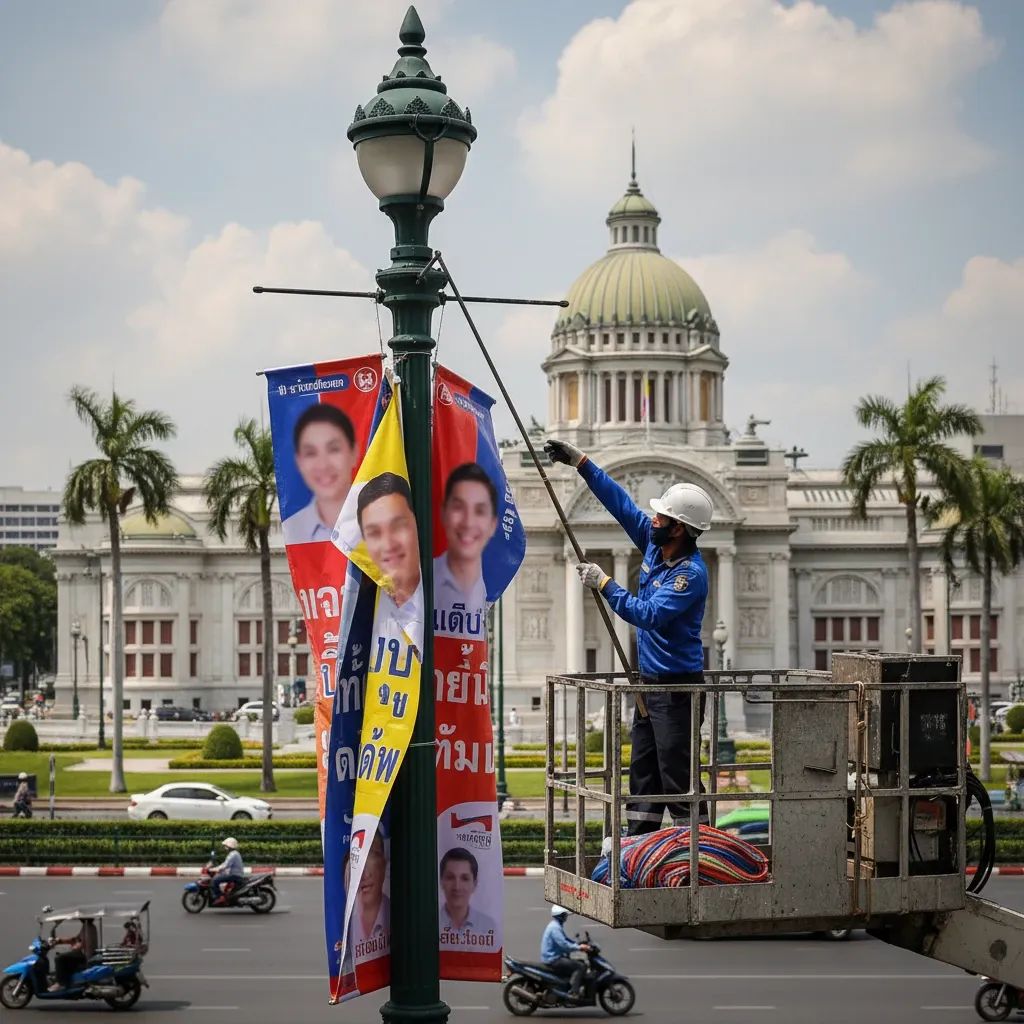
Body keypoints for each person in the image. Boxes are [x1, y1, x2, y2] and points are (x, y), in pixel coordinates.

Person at [544, 438, 711, 835]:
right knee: (643, 776)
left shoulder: (690, 575)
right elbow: (619, 504)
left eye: (662, 517)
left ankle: (699, 849)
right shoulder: (656, 549)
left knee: (678, 777)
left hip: (677, 691)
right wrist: (581, 462)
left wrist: (605, 583)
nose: (653, 520)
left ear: (681, 528)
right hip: (648, 687)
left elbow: (648, 616)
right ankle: (638, 846)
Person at [356, 472, 423, 642]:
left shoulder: (447, 594)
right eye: (374, 533)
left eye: (398, 526)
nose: (388, 544)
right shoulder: (358, 613)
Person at [282, 403, 358, 545]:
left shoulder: (381, 522)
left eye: (334, 449)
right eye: (311, 453)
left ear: (354, 452)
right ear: (299, 462)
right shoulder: (292, 530)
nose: (323, 465)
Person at [434, 463, 498, 633]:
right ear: (443, 513)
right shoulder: (417, 581)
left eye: (480, 511)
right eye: (458, 507)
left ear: (493, 524)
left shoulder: (495, 582)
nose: (468, 523)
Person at [438, 848, 498, 945]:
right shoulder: (429, 924)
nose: (457, 887)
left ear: (474, 884)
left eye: (464, 878)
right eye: (450, 877)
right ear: (441, 881)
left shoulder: (487, 926)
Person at [346, 832, 390, 960]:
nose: (363, 874)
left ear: (384, 864)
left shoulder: (398, 919)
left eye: (371, 856)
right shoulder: (345, 924)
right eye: (355, 858)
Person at [540, 905, 589, 999]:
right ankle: (573, 992)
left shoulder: (555, 925)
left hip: (553, 956)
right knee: (581, 966)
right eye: (565, 915)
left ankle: (567, 986)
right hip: (553, 959)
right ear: (561, 916)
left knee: (578, 962)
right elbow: (564, 945)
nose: (566, 917)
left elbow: (565, 940)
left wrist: (577, 943)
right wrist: (579, 948)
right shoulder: (555, 928)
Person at [51, 917, 98, 990]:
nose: (80, 919)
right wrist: (60, 941)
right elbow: (76, 939)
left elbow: (85, 943)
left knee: (59, 958)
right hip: (82, 953)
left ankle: (61, 983)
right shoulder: (87, 927)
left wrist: (75, 947)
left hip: (84, 955)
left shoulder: (88, 928)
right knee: (62, 955)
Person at [210, 836, 245, 904]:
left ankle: (220, 897)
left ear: (229, 846)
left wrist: (215, 869)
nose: (225, 847)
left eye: (226, 846)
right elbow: (225, 864)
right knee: (219, 877)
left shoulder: (233, 855)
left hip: (235, 875)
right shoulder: (233, 853)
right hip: (234, 874)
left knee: (214, 880)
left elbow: (226, 865)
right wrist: (217, 868)